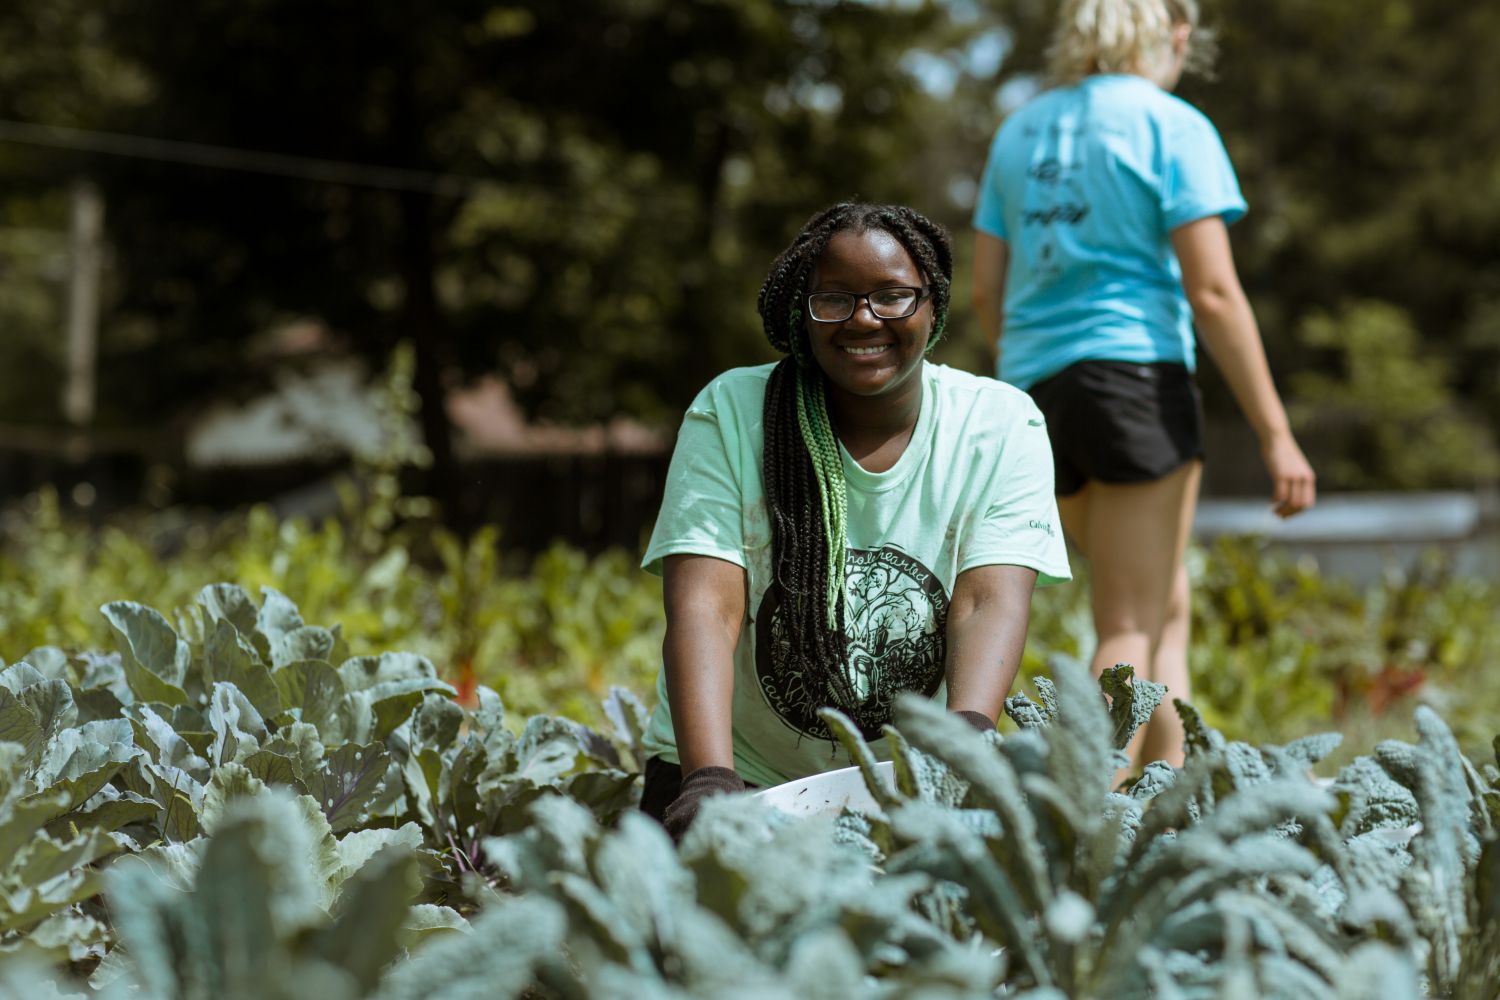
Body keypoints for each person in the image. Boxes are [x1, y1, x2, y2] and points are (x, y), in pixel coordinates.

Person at [639, 202, 1071, 839]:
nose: (864, 318)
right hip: (737, 772)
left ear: (935, 306)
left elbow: (986, 602)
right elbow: (707, 607)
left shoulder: (1000, 426)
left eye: (893, 296)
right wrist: (709, 782)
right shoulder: (731, 412)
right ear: (801, 312)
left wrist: (966, 746)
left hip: (907, 788)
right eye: (834, 299)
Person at [969, 0, 1316, 768]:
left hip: (1032, 397)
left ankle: (1173, 790)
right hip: (1135, 385)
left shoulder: (1019, 131)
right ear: (1178, 37)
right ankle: (1074, 815)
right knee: (1127, 621)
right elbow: (1215, 293)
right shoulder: (1173, 123)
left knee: (1167, 609)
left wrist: (1026, 371)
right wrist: (1275, 433)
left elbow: (987, 291)